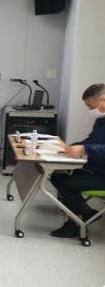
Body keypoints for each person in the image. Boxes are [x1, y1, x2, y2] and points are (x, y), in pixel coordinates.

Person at [49, 83, 105, 238]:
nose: (90, 110)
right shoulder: (101, 120)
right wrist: (73, 146)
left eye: (91, 106)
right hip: (95, 169)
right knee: (57, 175)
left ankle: (75, 225)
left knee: (69, 184)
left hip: (102, 175)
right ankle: (86, 212)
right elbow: (92, 140)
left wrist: (84, 149)